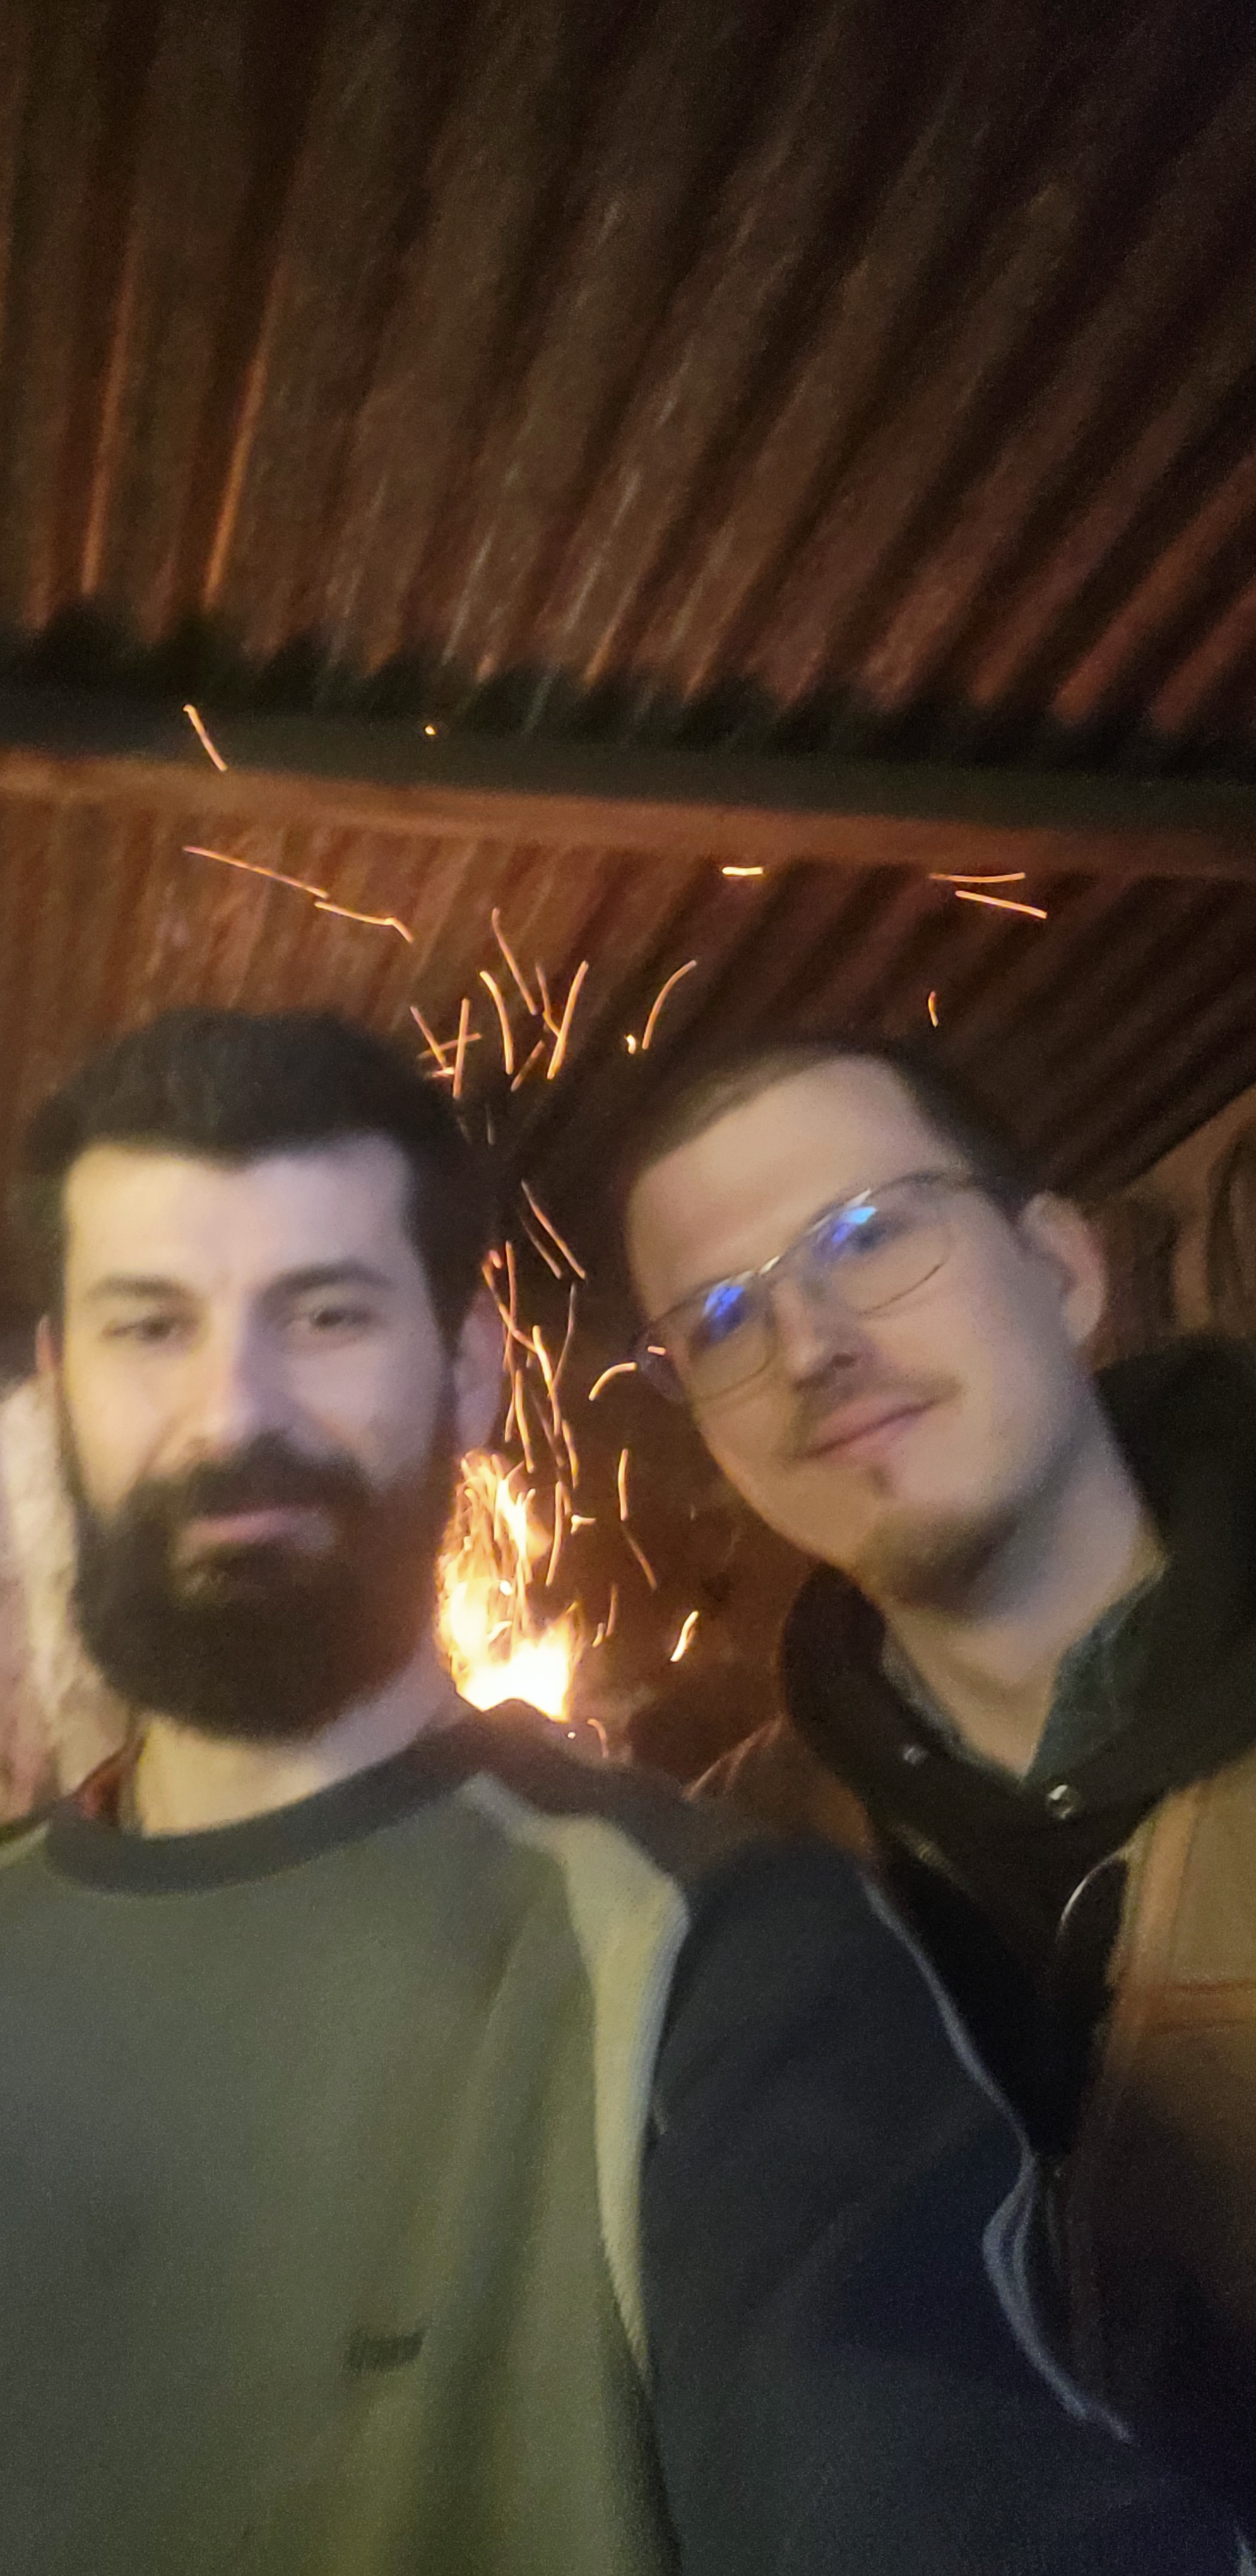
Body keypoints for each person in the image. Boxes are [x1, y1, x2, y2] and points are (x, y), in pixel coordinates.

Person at [0, 1007, 1244, 2576]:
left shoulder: (714, 1948)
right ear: (54, 1390)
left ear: (473, 1376)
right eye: (150, 1326)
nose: (232, 1412)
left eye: (327, 1313)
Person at [615, 1030, 1256, 2520]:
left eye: (867, 1233)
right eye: (721, 1316)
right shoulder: (727, 1890)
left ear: (1065, 1270)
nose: (807, 1344)